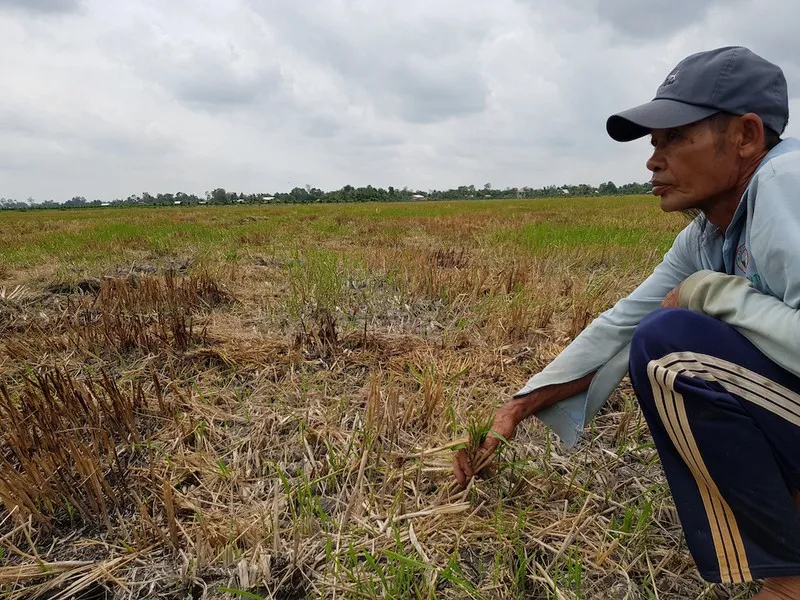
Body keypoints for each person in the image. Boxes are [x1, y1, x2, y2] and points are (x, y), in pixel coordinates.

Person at [453, 46, 800, 599]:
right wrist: (516, 408)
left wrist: (708, 292)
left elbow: (669, 324)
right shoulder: (707, 235)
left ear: (747, 136)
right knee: (661, 336)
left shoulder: (785, 182)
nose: (653, 162)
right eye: (653, 143)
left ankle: (790, 580)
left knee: (673, 349)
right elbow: (621, 325)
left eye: (675, 138)